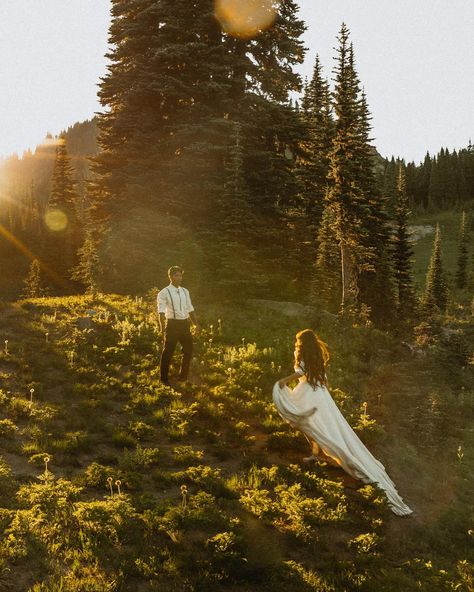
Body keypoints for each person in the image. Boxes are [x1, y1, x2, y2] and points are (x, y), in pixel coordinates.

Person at [274, 329, 412, 517]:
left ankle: (316, 454)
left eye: (298, 340)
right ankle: (315, 454)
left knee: (307, 423)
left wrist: (283, 381)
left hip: (309, 392)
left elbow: (300, 372)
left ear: (302, 342)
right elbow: (320, 375)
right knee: (315, 424)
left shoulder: (301, 352)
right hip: (319, 392)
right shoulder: (315, 353)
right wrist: (326, 393)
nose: (296, 342)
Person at [157, 266, 199, 385]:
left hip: (184, 324)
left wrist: (196, 325)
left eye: (180, 275)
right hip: (172, 325)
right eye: (176, 275)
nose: (179, 278)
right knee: (168, 352)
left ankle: (183, 376)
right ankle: (164, 379)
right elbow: (160, 312)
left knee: (188, 350)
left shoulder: (185, 291)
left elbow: (190, 308)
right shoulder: (163, 292)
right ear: (170, 277)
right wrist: (161, 328)